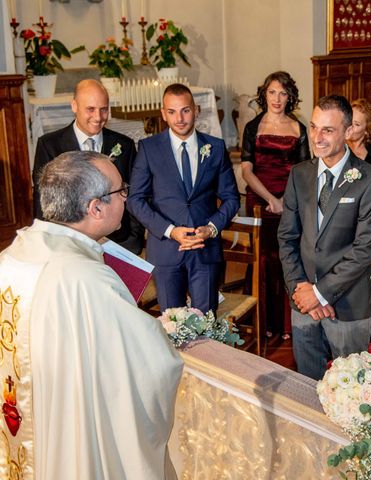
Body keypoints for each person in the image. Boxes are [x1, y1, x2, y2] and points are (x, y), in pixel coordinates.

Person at [0, 151, 183, 479]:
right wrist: (162, 334)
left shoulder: (10, 257)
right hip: (69, 433)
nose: (126, 197)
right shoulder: (85, 278)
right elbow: (148, 366)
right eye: (120, 191)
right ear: (95, 207)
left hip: (26, 422)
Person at [278, 95, 371, 381]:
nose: (317, 137)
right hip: (302, 302)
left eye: (327, 130)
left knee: (351, 395)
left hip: (349, 305)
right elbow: (287, 237)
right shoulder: (299, 175)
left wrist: (320, 293)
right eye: (313, 127)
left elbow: (365, 249)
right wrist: (301, 289)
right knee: (308, 387)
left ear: (349, 131)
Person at [128, 83, 240, 314]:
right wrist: (170, 230)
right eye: (172, 112)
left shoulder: (215, 147)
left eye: (185, 110)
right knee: (172, 327)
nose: (179, 118)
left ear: (196, 110)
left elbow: (231, 198)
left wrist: (211, 228)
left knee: (206, 325)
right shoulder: (149, 148)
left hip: (205, 247)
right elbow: (135, 199)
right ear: (163, 113)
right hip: (166, 250)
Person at [32, 78, 144, 254]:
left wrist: (133, 239)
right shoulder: (50, 145)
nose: (98, 117)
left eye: (104, 109)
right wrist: (49, 245)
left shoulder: (124, 145)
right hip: (70, 246)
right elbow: (43, 202)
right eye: (90, 109)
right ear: (74, 106)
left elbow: (134, 193)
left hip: (119, 242)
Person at [241, 71, 311, 340]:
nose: (277, 98)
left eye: (283, 93)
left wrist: (286, 201)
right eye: (272, 92)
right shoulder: (252, 127)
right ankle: (263, 320)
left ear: (290, 96)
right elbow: (246, 171)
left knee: (288, 258)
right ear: (264, 95)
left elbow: (305, 171)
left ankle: (285, 323)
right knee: (263, 258)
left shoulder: (298, 128)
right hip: (260, 201)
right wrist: (270, 199)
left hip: (290, 200)